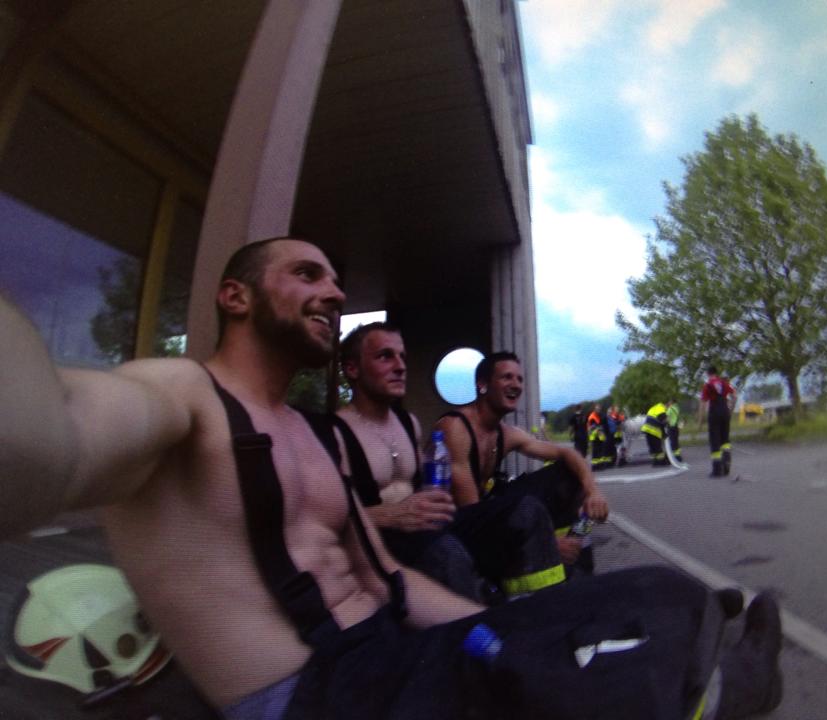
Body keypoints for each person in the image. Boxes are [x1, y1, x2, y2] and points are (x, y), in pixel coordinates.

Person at [0, 237, 781, 719]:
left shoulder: (302, 435)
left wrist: (514, 633)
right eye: (307, 273)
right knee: (608, 682)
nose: (335, 292)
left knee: (661, 593)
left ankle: (668, 646)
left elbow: (391, 585)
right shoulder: (176, 394)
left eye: (336, 281)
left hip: (388, 654)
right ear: (235, 297)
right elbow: (55, 434)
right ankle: (731, 690)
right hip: (306, 695)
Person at [334, 322, 565, 600]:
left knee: (527, 509)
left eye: (402, 357)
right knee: (448, 554)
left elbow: (429, 489)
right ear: (352, 369)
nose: (400, 366)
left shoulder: (408, 423)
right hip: (382, 541)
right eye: (385, 356)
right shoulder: (334, 432)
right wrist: (392, 514)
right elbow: (323, 518)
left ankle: (543, 605)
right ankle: (487, 617)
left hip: (430, 526)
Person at [434, 353, 609, 575]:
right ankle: (536, 570)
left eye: (519, 379)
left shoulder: (507, 433)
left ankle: (575, 556)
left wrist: (594, 492)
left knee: (569, 475)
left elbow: (567, 452)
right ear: (482, 384)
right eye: (507, 377)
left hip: (484, 510)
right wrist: (546, 542)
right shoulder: (455, 428)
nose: (516, 385)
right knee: (524, 508)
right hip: (455, 526)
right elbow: (474, 514)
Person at [698, 365, 737, 477]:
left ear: (708, 373)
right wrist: (730, 410)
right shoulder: (724, 383)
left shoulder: (708, 385)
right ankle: (726, 465)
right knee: (725, 440)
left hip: (714, 413)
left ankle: (717, 470)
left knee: (715, 441)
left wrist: (701, 421)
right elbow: (735, 396)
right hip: (725, 411)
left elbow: (703, 404)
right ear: (716, 373)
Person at [641, 401, 669, 466]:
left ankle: (655, 462)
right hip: (654, 431)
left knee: (652, 447)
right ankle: (661, 462)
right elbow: (663, 423)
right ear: (666, 405)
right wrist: (664, 434)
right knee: (658, 448)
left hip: (646, 430)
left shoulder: (653, 408)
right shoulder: (662, 410)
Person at [586, 403, 609, 468]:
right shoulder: (592, 416)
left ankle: (599, 464)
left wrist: (602, 433)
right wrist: (599, 429)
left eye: (599, 409)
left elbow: (600, 426)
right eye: (597, 409)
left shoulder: (598, 415)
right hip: (594, 436)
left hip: (599, 435)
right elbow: (593, 427)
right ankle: (595, 465)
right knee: (595, 450)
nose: (599, 410)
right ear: (594, 409)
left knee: (600, 449)